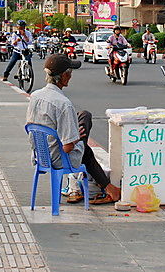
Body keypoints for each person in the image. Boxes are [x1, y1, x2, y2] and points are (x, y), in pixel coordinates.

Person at [26, 54, 122, 205]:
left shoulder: (35, 96)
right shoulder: (64, 104)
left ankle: (107, 188)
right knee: (85, 125)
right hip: (59, 159)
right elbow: (68, 147)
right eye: (70, 73)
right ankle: (104, 187)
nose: (71, 76)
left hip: (40, 155)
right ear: (64, 76)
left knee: (83, 120)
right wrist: (75, 136)